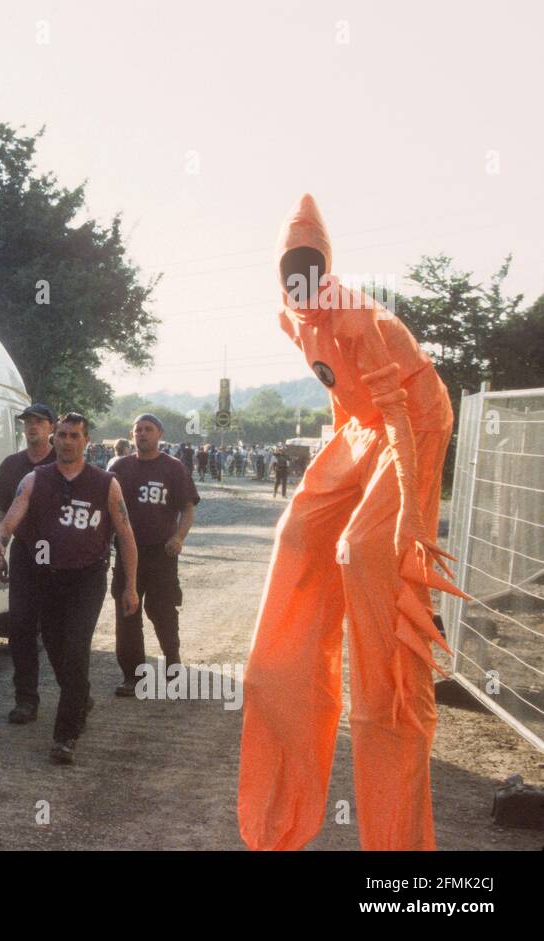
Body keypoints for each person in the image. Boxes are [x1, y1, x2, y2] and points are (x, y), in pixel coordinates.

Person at [238, 194, 468, 851]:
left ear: (327, 266)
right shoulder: (292, 320)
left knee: (363, 551)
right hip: (365, 428)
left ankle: (394, 692)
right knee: (299, 533)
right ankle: (282, 690)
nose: (301, 279)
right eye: (291, 267)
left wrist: (409, 520)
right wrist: (337, 471)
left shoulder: (355, 314)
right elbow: (346, 394)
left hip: (414, 420)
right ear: (281, 275)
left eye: (311, 265)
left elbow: (397, 412)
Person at [0, 412, 139, 765]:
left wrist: (130, 586)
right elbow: (10, 519)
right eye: (61, 435)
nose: (66, 441)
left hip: (86, 578)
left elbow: (126, 536)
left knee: (75, 650)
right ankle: (79, 695)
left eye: (74, 435)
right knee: (57, 649)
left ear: (87, 441)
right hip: (47, 577)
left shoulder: (105, 483)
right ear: (53, 438)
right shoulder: (35, 479)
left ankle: (65, 735)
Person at [109, 414, 200, 696]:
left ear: (159, 433)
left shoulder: (173, 469)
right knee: (128, 611)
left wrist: (179, 538)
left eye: (148, 429)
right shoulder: (119, 468)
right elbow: (105, 509)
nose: (143, 434)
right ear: (131, 434)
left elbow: (187, 508)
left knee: (162, 611)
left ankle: (173, 663)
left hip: (160, 553)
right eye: (138, 430)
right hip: (127, 552)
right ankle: (133, 677)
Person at [0, 402, 57, 724]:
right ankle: (25, 699)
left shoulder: (65, 461)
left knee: (61, 631)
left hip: (62, 557)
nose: (32, 427)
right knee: (21, 627)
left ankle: (76, 692)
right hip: (27, 553)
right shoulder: (12, 465)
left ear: (51, 428)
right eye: (27, 422)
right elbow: (3, 514)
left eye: (39, 422)